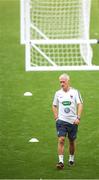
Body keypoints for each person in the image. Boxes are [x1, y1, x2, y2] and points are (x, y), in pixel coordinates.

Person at [52, 73, 83, 169]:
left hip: (73, 122)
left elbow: (80, 104)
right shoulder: (58, 93)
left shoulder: (75, 92)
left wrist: (78, 117)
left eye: (63, 82)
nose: (61, 84)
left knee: (71, 141)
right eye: (60, 82)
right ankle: (61, 161)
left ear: (68, 81)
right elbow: (54, 105)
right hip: (61, 121)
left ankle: (71, 158)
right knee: (61, 139)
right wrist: (56, 117)